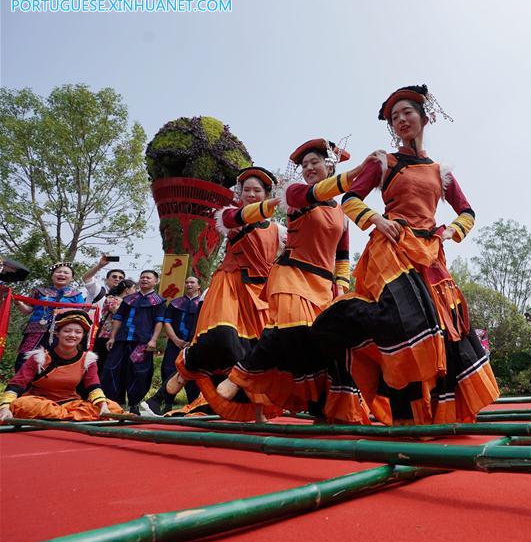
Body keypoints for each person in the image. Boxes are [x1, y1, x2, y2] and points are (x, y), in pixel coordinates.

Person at [309, 84, 500, 425]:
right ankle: (395, 404)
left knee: (441, 328)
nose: (401, 120)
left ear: (425, 118)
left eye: (407, 113)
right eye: (395, 117)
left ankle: (424, 415)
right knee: (407, 322)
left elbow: (468, 212)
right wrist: (376, 219)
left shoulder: (441, 172)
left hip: (430, 255)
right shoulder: (385, 162)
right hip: (391, 248)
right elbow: (350, 198)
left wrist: (451, 231)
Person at [216, 140, 374, 424]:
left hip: (324, 286)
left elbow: (342, 254)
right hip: (292, 276)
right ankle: (240, 376)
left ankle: (323, 409)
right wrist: (359, 172)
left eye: (315, 162)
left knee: (326, 347)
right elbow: (318, 192)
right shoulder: (295, 193)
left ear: (330, 165)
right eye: (305, 165)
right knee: (290, 331)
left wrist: (341, 284)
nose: (310, 168)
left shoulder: (342, 212)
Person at [175, 167, 285, 422]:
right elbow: (236, 219)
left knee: (255, 352)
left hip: (261, 293)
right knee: (222, 337)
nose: (251, 194)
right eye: (246, 190)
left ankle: (257, 412)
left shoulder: (279, 231)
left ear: (266, 193)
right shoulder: (229, 216)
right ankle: (186, 365)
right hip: (231, 284)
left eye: (257, 190)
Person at [0, 310, 123, 421]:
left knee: (113, 407)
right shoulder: (39, 357)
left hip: (71, 403)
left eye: (78, 332)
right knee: (22, 405)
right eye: (67, 331)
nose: (72, 335)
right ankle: (74, 417)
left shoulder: (88, 359)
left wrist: (103, 406)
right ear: (57, 334)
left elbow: (93, 386)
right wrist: (5, 407)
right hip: (41, 402)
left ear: (82, 336)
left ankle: (62, 416)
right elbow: (17, 384)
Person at [102, 270, 165, 414]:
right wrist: (112, 337)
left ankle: (135, 404)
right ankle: (114, 402)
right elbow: (118, 318)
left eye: (148, 278)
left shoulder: (159, 301)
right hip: (122, 340)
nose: (144, 280)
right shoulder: (129, 299)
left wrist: (153, 340)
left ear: (155, 281)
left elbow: (159, 322)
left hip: (142, 342)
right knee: (112, 369)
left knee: (139, 373)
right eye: (142, 277)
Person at [142, 276, 202, 415]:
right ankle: (167, 404)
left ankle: (193, 405)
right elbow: (167, 322)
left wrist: (192, 341)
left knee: (193, 374)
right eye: (186, 282)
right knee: (168, 371)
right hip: (174, 344)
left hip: (195, 345)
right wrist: (176, 340)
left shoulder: (203, 303)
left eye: (192, 282)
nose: (188, 284)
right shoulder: (175, 303)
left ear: (199, 286)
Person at [13, 262, 86, 371]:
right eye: (58, 272)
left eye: (66, 273)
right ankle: (20, 385)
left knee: (55, 360)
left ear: (71, 278)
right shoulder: (39, 292)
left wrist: (64, 310)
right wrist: (19, 303)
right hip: (36, 330)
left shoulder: (76, 295)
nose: (62, 274)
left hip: (62, 332)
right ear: (52, 275)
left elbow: (79, 314)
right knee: (25, 358)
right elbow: (28, 310)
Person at [93, 278, 136, 376]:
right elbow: (118, 313)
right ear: (127, 290)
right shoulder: (112, 299)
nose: (136, 292)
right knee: (102, 362)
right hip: (106, 335)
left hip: (119, 336)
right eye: (134, 289)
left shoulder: (129, 303)